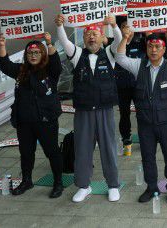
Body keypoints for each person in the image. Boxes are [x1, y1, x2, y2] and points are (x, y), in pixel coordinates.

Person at [115, 27, 167, 205]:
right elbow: (120, 58)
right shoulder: (139, 66)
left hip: (166, 122)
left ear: (164, 49)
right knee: (147, 157)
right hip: (145, 123)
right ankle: (151, 187)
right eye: (150, 47)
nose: (154, 50)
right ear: (146, 48)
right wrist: (125, 38)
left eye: (157, 47)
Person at [56, 14, 121, 203]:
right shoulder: (77, 55)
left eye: (95, 34)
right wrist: (60, 26)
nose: (91, 37)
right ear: (83, 39)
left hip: (105, 110)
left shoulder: (110, 54)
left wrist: (114, 26)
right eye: (88, 34)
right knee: (82, 149)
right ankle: (84, 186)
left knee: (108, 148)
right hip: (83, 111)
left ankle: (113, 185)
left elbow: (118, 40)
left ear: (102, 38)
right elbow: (64, 41)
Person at [0, 32, 63, 198]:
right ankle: (27, 181)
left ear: (42, 54)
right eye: (30, 53)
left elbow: (55, 61)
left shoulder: (50, 70)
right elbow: (4, 64)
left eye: (37, 52)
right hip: (24, 121)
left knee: (52, 152)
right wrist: (2, 45)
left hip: (46, 121)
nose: (33, 56)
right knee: (26, 153)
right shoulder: (21, 70)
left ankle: (58, 182)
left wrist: (49, 42)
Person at [112, 17, 144, 156]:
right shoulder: (116, 45)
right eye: (124, 26)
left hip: (138, 85)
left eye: (129, 26)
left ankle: (144, 136)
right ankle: (126, 137)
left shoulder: (141, 43)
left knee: (142, 112)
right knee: (124, 113)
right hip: (122, 86)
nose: (127, 29)